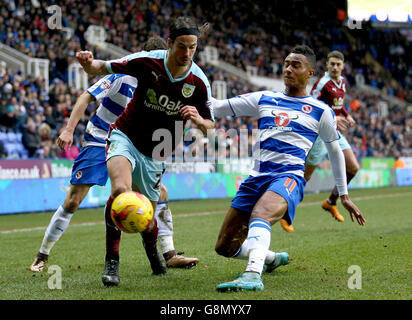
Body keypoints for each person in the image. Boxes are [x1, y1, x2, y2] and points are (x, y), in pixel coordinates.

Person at [29, 36, 199, 274]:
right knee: (74, 199)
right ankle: (42, 254)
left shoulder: (163, 87)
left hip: (133, 144)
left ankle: (168, 254)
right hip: (100, 140)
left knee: (160, 193)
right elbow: (86, 96)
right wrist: (69, 129)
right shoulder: (122, 77)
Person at [210, 45, 366, 292]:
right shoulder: (265, 98)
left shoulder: (320, 111)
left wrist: (343, 195)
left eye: (296, 65)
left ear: (310, 73)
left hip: (288, 176)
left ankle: (252, 275)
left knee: (261, 215)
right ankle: (270, 258)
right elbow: (216, 106)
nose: (288, 69)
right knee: (224, 247)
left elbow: (335, 151)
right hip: (256, 177)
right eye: (286, 63)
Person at [75, 17, 215, 286]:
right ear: (170, 42)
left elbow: (211, 125)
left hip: (157, 154)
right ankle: (112, 262)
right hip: (125, 135)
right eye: (182, 46)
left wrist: (199, 120)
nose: (187, 53)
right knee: (120, 192)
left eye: (192, 48)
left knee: (146, 215)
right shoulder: (147, 60)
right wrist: (86, 62)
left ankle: (153, 250)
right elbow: (99, 67)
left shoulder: (198, 82)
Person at [303, 50, 359, 223]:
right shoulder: (322, 84)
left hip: (334, 131)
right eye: (332, 64)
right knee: (305, 177)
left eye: (338, 64)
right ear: (327, 65)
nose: (335, 67)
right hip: (319, 133)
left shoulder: (342, 82)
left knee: (353, 168)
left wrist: (346, 114)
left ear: (343, 66)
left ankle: (330, 202)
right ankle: (284, 209)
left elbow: (337, 105)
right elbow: (310, 107)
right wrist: (336, 118)